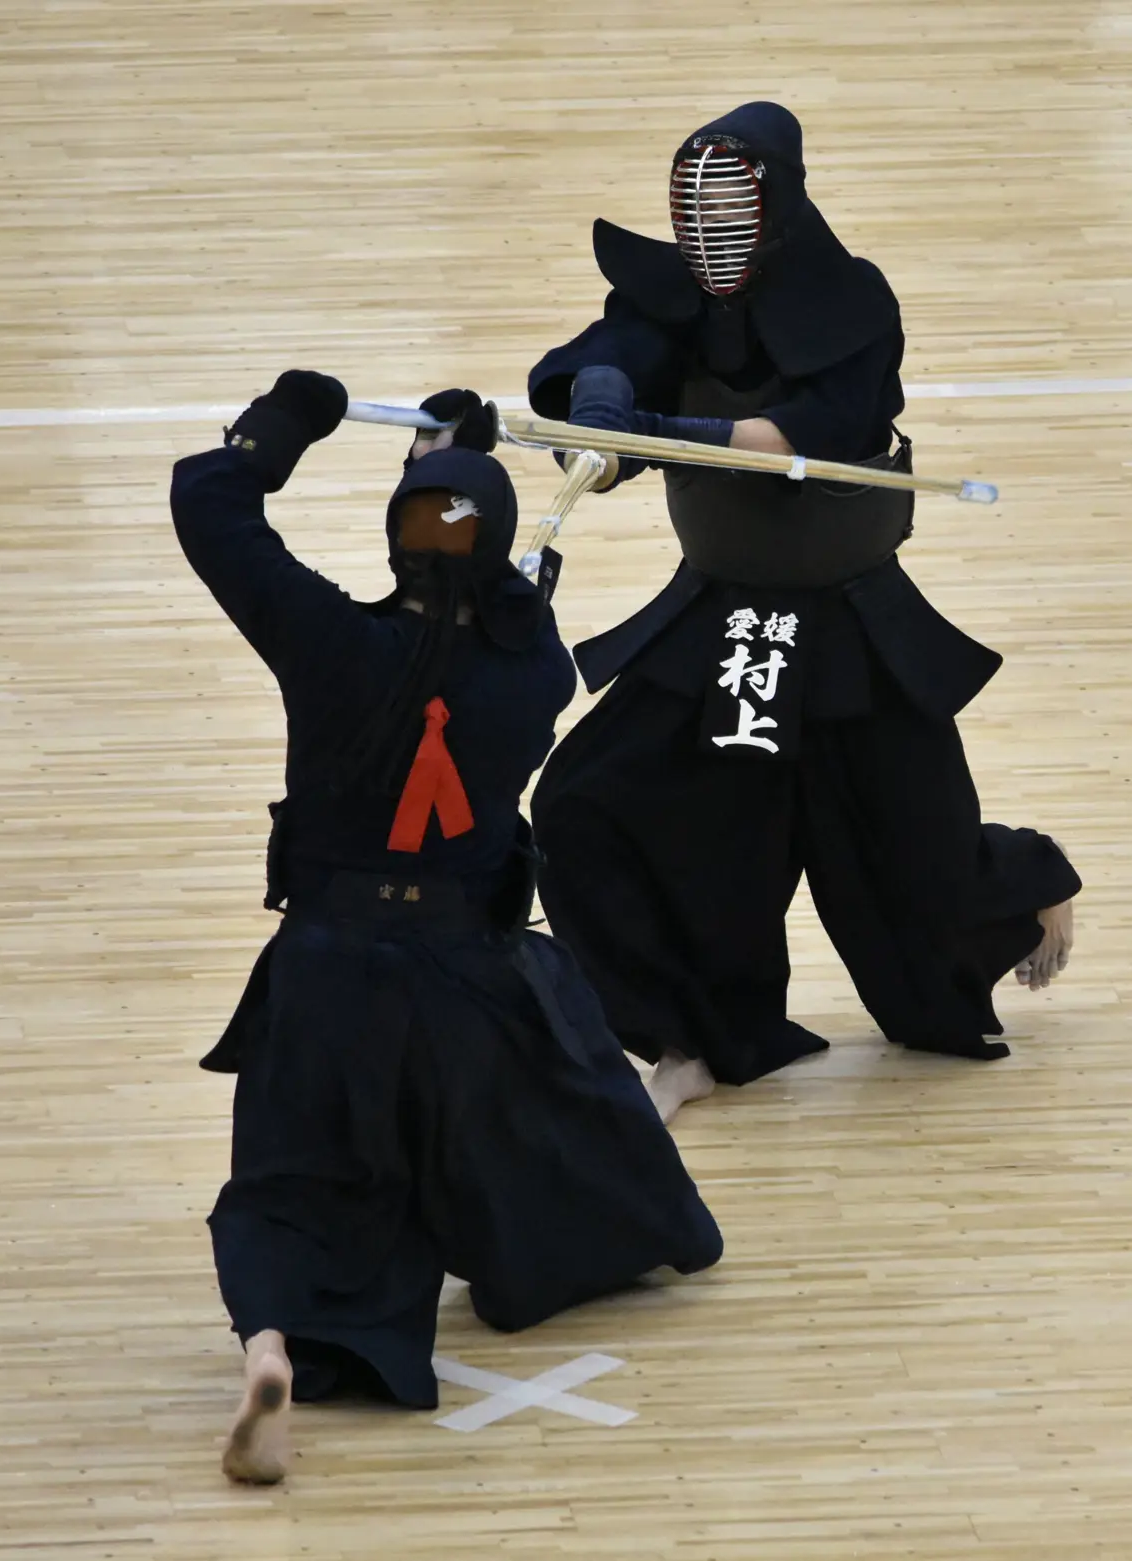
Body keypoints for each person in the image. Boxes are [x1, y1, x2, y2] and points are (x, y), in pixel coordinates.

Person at [169, 372, 722, 1485]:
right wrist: (457, 465)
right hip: (467, 981)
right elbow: (508, 584)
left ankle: (270, 1350)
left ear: (395, 547)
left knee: (293, 1184)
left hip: (325, 970)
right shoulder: (531, 675)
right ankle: (645, 1119)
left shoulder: (321, 639)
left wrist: (289, 420)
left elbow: (209, 505)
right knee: (568, 1127)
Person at [527, 102, 1081, 1124]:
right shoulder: (669, 298)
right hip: (726, 620)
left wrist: (654, 429)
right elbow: (612, 351)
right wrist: (598, 408)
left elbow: (803, 435)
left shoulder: (855, 305)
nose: (709, 235)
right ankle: (692, 1034)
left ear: (778, 205)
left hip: (849, 624)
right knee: (585, 810)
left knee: (920, 872)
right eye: (693, 213)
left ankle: (1030, 875)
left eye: (731, 209)